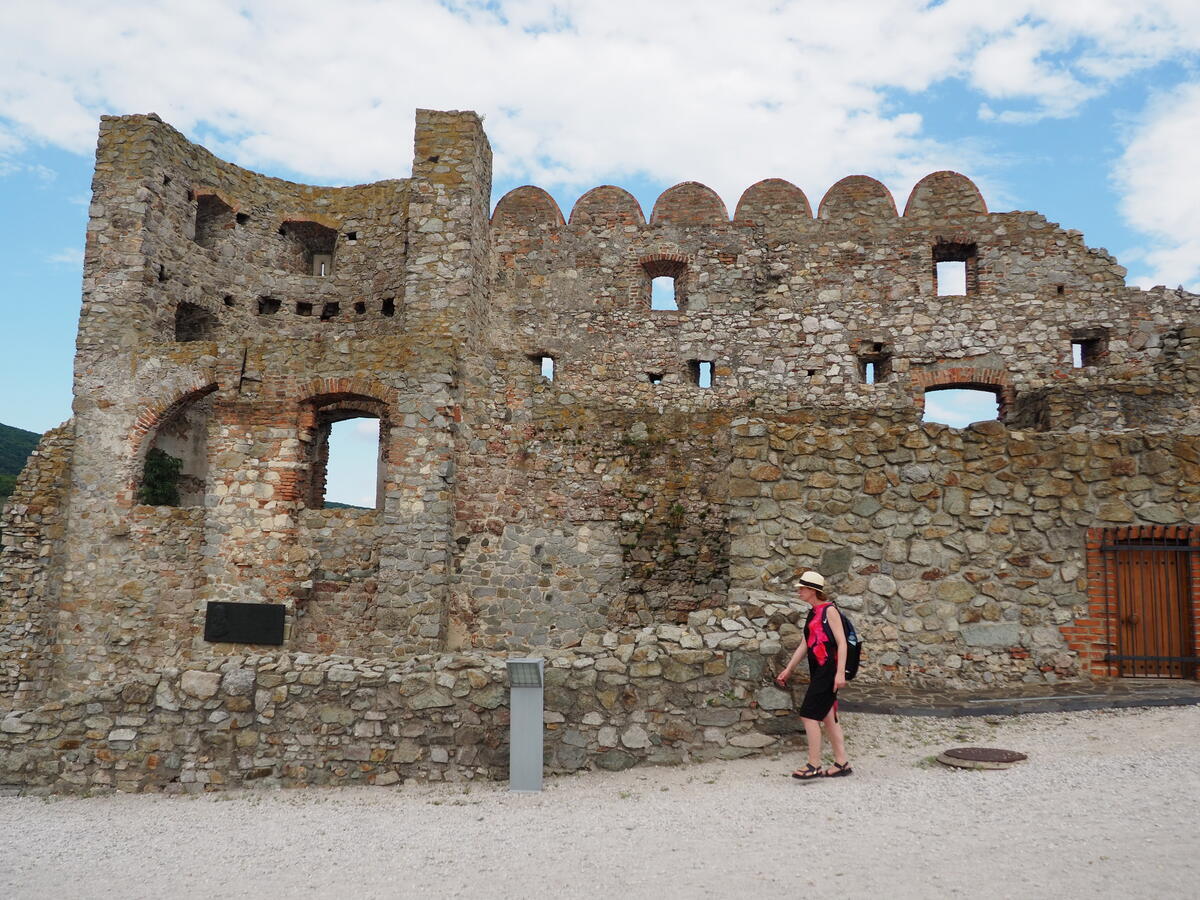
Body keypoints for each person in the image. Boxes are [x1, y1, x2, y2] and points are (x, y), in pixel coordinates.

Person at [774, 570, 853, 780]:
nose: (799, 592)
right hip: (818, 670)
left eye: (802, 588)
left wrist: (840, 674)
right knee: (829, 717)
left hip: (829, 671)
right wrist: (789, 668)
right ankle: (842, 763)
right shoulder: (813, 612)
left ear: (812, 590)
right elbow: (805, 644)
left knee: (808, 715)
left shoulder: (829, 611)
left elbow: (842, 643)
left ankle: (814, 764)